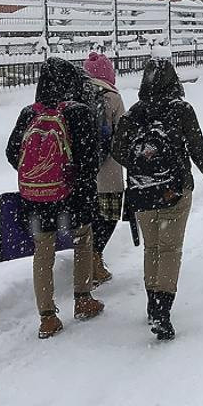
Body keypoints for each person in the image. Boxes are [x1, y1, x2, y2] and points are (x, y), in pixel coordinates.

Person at [111, 57, 203, 341]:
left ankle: (151, 303)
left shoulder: (134, 113)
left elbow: (118, 150)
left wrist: (141, 162)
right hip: (174, 189)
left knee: (152, 248)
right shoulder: (181, 110)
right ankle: (162, 310)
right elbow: (196, 144)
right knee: (170, 250)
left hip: (142, 191)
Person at [5, 57, 105, 340]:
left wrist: (39, 174)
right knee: (83, 240)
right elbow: (89, 159)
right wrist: (74, 182)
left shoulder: (29, 113)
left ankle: (47, 317)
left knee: (43, 251)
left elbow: (12, 152)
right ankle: (83, 299)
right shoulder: (78, 112)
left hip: (36, 197)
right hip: (73, 195)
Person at [83, 51, 126, 287]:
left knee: (88, 218)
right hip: (108, 171)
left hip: (82, 171)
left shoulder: (76, 95)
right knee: (108, 216)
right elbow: (123, 133)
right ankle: (95, 258)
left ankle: (87, 259)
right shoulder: (113, 97)